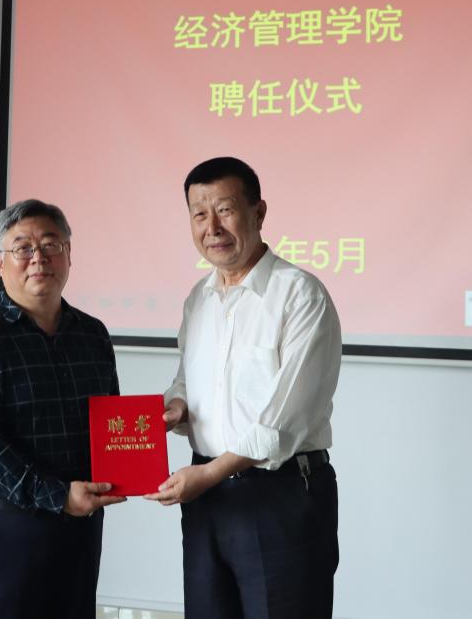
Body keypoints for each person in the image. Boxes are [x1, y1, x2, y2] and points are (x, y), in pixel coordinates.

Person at [145, 157, 342, 619]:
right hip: (206, 500)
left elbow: (282, 423)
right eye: (199, 214)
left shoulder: (300, 295)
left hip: (280, 498)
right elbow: (186, 380)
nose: (211, 227)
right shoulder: (199, 299)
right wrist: (177, 407)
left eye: (225, 210)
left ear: (259, 212)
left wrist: (209, 475)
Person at [0, 199, 124, 619]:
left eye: (50, 244)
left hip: (77, 529)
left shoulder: (92, 334)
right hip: (3, 530)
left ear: (69, 254)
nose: (38, 258)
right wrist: (57, 496)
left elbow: (110, 422)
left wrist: (139, 452)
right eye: (22, 247)